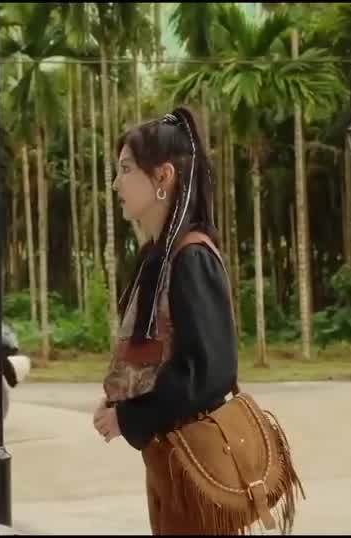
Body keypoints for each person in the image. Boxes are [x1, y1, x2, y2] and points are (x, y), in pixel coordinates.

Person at [92, 106, 246, 534]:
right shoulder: (158, 257)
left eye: (126, 169)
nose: (116, 183)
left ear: (163, 177)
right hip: (170, 461)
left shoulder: (191, 257)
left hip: (195, 464)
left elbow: (208, 373)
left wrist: (130, 418)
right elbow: (156, 359)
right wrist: (121, 403)